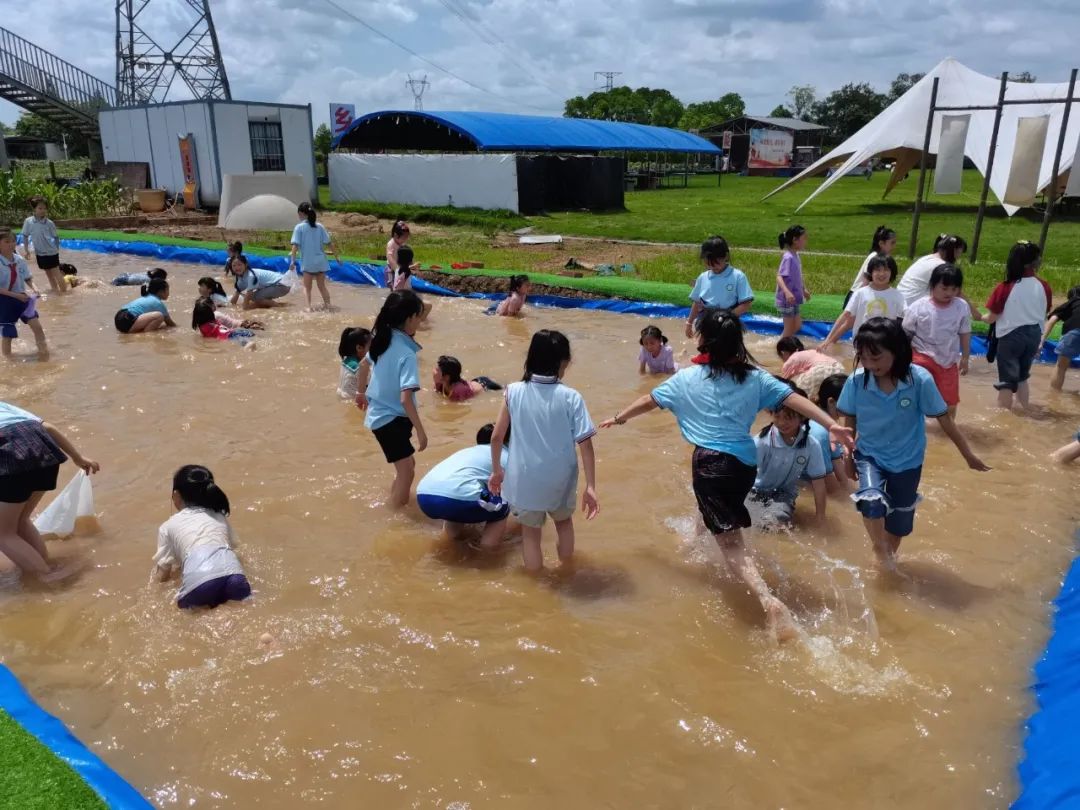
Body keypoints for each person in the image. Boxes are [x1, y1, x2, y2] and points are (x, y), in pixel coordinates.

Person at [600, 308, 854, 643]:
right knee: (715, 513)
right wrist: (831, 422)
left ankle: (768, 600)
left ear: (704, 340)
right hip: (744, 467)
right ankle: (695, 537)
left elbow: (649, 400)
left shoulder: (687, 378)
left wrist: (619, 417)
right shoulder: (755, 377)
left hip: (710, 464)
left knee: (731, 545)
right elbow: (794, 398)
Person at [837, 318, 989, 568]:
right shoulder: (857, 381)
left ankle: (888, 558)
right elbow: (849, 418)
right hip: (870, 455)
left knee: (900, 523)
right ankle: (879, 549)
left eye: (876, 358)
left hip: (908, 460)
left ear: (897, 352)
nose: (869, 364)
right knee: (871, 502)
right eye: (863, 358)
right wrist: (847, 454)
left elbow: (945, 420)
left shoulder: (919, 380)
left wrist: (968, 454)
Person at [488, 330, 599, 572]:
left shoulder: (512, 391)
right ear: (563, 362)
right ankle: (567, 571)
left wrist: (497, 472)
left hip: (525, 478)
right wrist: (590, 486)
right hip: (561, 477)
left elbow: (496, 438)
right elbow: (586, 444)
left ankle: (537, 582)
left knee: (530, 534)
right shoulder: (571, 397)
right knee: (564, 523)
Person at [0, 400, 99, 581]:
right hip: (43, 449)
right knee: (21, 520)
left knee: (3, 533)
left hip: (11, 453)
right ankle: (45, 563)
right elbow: (46, 426)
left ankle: (48, 576)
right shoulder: (3, 406)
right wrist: (77, 457)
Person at [355, 290, 427, 508]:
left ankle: (392, 501)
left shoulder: (383, 339)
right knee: (407, 472)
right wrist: (422, 432)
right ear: (409, 319)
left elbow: (363, 365)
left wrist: (360, 393)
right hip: (390, 419)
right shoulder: (407, 353)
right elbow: (406, 399)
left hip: (381, 416)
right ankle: (395, 516)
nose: (420, 322)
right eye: (418, 317)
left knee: (408, 466)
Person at [153, 465, 251, 610]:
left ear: (176, 495)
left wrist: (155, 590)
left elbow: (163, 574)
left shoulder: (167, 526)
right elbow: (234, 549)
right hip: (235, 576)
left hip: (200, 583)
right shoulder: (219, 516)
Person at [417, 423, 515, 549]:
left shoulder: (467, 451)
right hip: (457, 498)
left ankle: (450, 543)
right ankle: (487, 553)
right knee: (502, 507)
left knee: (460, 495)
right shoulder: (505, 455)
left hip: (424, 496)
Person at [748, 382, 829, 530]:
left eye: (789, 417)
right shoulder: (761, 441)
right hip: (754, 490)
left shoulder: (811, 445)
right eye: (777, 417)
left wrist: (820, 518)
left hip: (783, 494)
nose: (782, 423)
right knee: (751, 524)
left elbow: (819, 484)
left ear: (802, 417)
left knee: (777, 525)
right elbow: (744, 474)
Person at [984, 241, 1052, 411]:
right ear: (1036, 262)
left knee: (1007, 382)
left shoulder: (1005, 287)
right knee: (1022, 377)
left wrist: (979, 317)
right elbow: (1045, 311)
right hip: (1034, 335)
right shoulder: (1044, 286)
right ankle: (1026, 410)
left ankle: (1003, 419)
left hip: (1011, 337)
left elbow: (992, 317)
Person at [902, 264, 971, 419]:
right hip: (921, 357)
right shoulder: (919, 307)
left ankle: (946, 434)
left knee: (950, 403)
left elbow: (965, 332)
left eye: (954, 289)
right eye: (944, 288)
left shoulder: (961, 306)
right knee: (915, 395)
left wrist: (965, 357)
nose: (949, 293)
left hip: (948, 361)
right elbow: (906, 334)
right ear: (933, 285)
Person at [820, 255, 904, 352]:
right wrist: (828, 340)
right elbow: (845, 315)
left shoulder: (897, 296)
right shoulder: (860, 293)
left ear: (892, 272)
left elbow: (905, 320)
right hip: (861, 344)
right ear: (871, 273)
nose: (881, 274)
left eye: (886, 270)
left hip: (885, 345)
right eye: (877, 270)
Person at [896, 235, 980, 321]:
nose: (959, 257)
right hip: (910, 311)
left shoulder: (927, 258)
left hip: (899, 307)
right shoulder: (941, 266)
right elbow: (956, 292)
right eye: (959, 252)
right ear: (953, 251)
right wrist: (976, 314)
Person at [685, 236, 754, 338]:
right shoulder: (703, 278)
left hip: (728, 325)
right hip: (707, 323)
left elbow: (746, 304)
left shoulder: (737, 276)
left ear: (725, 256)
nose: (713, 268)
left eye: (716, 264)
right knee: (706, 350)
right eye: (709, 264)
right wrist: (689, 323)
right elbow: (697, 302)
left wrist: (726, 316)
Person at [1, 229, 49, 360]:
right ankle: (9, 360)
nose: (11, 244)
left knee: (37, 327)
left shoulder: (19, 260)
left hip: (22, 298)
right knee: (8, 334)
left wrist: (35, 288)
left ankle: (44, 354)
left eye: (13, 241)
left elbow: (27, 277)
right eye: (6, 241)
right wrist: (16, 296)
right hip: (4, 301)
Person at [288, 202, 339, 311]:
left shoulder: (299, 227)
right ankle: (328, 306)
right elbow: (329, 243)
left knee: (307, 288)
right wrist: (337, 258)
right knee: (322, 287)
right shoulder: (320, 226)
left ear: (301, 213)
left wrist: (292, 261)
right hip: (321, 262)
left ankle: (308, 308)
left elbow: (295, 246)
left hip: (308, 263)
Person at [807, 373, 849, 494]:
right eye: (850, 402)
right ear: (831, 402)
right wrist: (846, 504)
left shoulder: (829, 428)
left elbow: (837, 463)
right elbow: (827, 478)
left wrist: (849, 491)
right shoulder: (819, 432)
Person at [776, 336, 843, 402]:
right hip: (838, 368)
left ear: (783, 353)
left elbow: (783, 381)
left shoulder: (792, 358)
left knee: (799, 395)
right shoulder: (812, 351)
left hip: (820, 370)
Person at [19, 197, 65, 292]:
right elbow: (25, 236)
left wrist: (56, 249)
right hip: (39, 253)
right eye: (40, 208)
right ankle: (55, 292)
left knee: (57, 274)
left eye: (44, 208)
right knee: (48, 274)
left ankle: (64, 294)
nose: (43, 210)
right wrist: (27, 250)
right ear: (34, 209)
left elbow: (56, 237)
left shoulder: (49, 223)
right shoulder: (29, 222)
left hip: (51, 252)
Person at [1040, 285, 1080, 392]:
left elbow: (1053, 319)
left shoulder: (1074, 300)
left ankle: (1053, 396)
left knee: (1061, 367)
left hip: (1075, 330)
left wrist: (1041, 341)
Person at [845, 225, 897, 308]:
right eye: (892, 243)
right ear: (881, 244)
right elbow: (866, 280)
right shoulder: (874, 257)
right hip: (856, 297)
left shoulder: (882, 258)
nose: (894, 246)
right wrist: (860, 300)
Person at [775, 225, 810, 339]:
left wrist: (803, 289)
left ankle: (781, 341)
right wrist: (787, 292)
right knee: (789, 328)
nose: (806, 241)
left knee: (797, 325)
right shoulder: (788, 257)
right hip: (787, 300)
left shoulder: (796, 255)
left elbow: (797, 276)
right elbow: (779, 277)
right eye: (804, 238)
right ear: (795, 240)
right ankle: (779, 346)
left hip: (793, 298)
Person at [432, 355, 502, 402]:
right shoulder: (440, 383)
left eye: (437, 370)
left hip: (486, 386)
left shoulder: (458, 391)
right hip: (475, 382)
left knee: (504, 390)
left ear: (446, 377)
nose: (434, 370)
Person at [191, 299, 255, 346]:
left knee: (243, 342)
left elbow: (206, 337)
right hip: (234, 331)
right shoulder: (215, 321)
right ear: (211, 313)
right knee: (250, 336)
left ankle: (248, 344)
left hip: (228, 336)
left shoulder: (203, 327)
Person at [337, 326, 372, 400]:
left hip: (342, 396)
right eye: (370, 346)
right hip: (353, 400)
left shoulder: (346, 360)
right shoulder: (359, 367)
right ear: (359, 348)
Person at [386, 220, 411, 287]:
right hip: (391, 268)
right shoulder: (391, 244)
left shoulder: (401, 243)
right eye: (404, 237)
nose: (406, 239)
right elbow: (389, 256)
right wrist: (396, 268)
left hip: (399, 267)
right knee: (393, 285)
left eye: (407, 237)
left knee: (401, 284)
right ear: (396, 235)